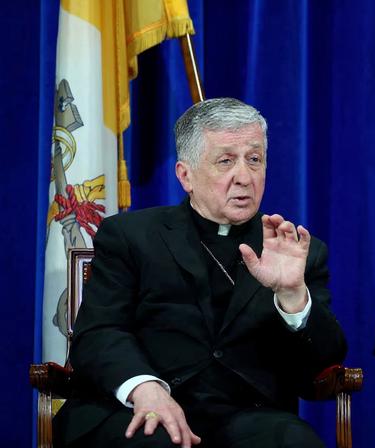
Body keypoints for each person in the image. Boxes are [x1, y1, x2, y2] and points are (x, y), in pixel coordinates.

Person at [54, 98, 347, 448]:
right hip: (137, 407)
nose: (244, 177)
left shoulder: (294, 251)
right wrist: (144, 387)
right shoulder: (130, 236)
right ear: (185, 175)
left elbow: (321, 366)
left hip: (247, 417)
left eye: (254, 159)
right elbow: (99, 332)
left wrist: (293, 296)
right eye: (226, 161)